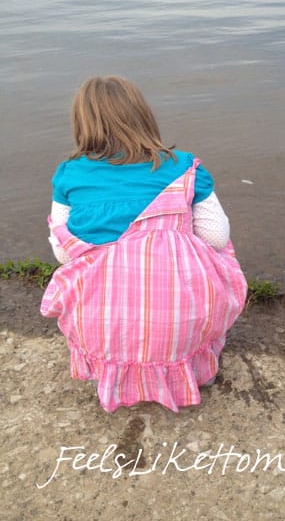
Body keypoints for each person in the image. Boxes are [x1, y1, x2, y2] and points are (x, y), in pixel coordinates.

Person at [41, 75, 247, 412]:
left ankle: (111, 373)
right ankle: (193, 365)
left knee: (80, 260)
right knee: (219, 248)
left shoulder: (69, 174)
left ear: (82, 123)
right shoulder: (184, 167)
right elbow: (215, 236)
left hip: (104, 331)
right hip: (177, 328)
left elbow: (64, 253)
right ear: (142, 115)